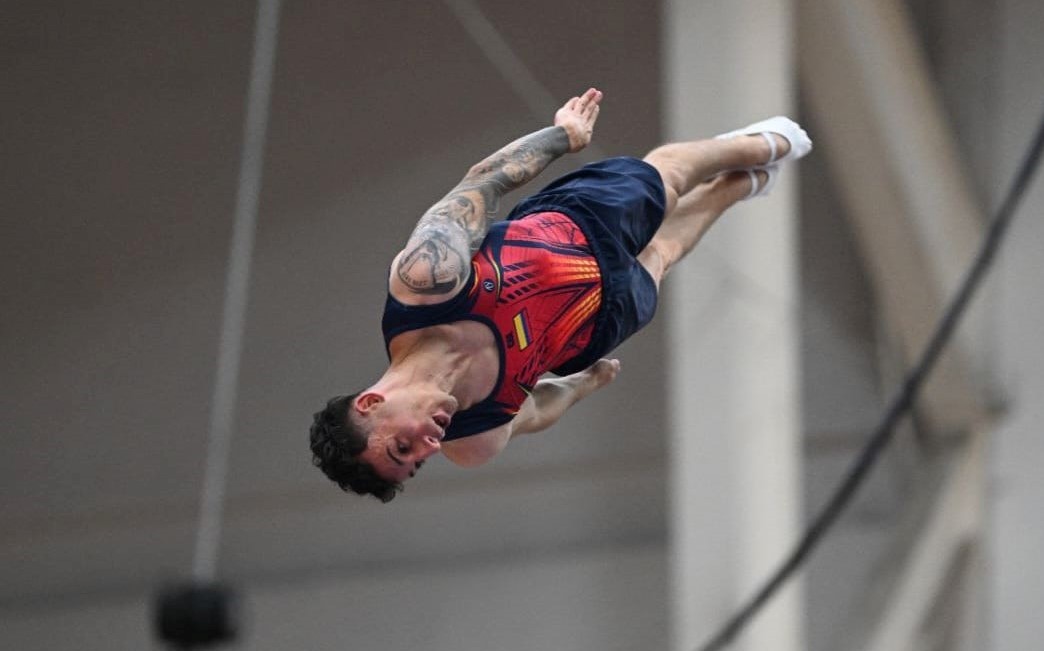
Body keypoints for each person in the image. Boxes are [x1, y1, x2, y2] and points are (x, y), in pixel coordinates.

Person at [310, 88, 811, 502]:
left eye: (403, 447)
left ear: (374, 401)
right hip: (596, 322)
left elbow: (481, 185)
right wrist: (584, 384)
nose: (427, 448)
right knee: (664, 252)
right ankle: (738, 187)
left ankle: (755, 148)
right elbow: (535, 412)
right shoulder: (472, 441)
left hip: (572, 227)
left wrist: (561, 137)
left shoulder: (425, 284)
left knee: (671, 177)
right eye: (415, 465)